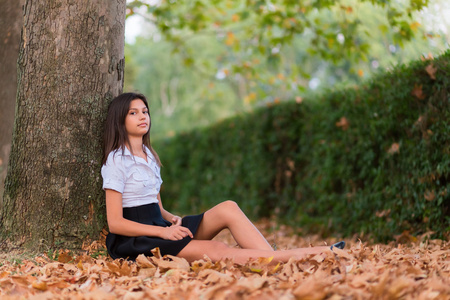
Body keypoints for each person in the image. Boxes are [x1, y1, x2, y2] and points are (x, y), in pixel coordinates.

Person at [101, 92, 345, 264]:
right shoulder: (116, 161)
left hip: (160, 228)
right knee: (218, 249)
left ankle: (273, 259)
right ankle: (310, 254)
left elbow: (155, 205)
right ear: (120, 120)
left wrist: (171, 219)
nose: (142, 116)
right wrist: (162, 233)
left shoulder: (150, 156)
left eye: (145, 111)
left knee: (228, 208)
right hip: (136, 240)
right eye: (133, 113)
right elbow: (115, 223)